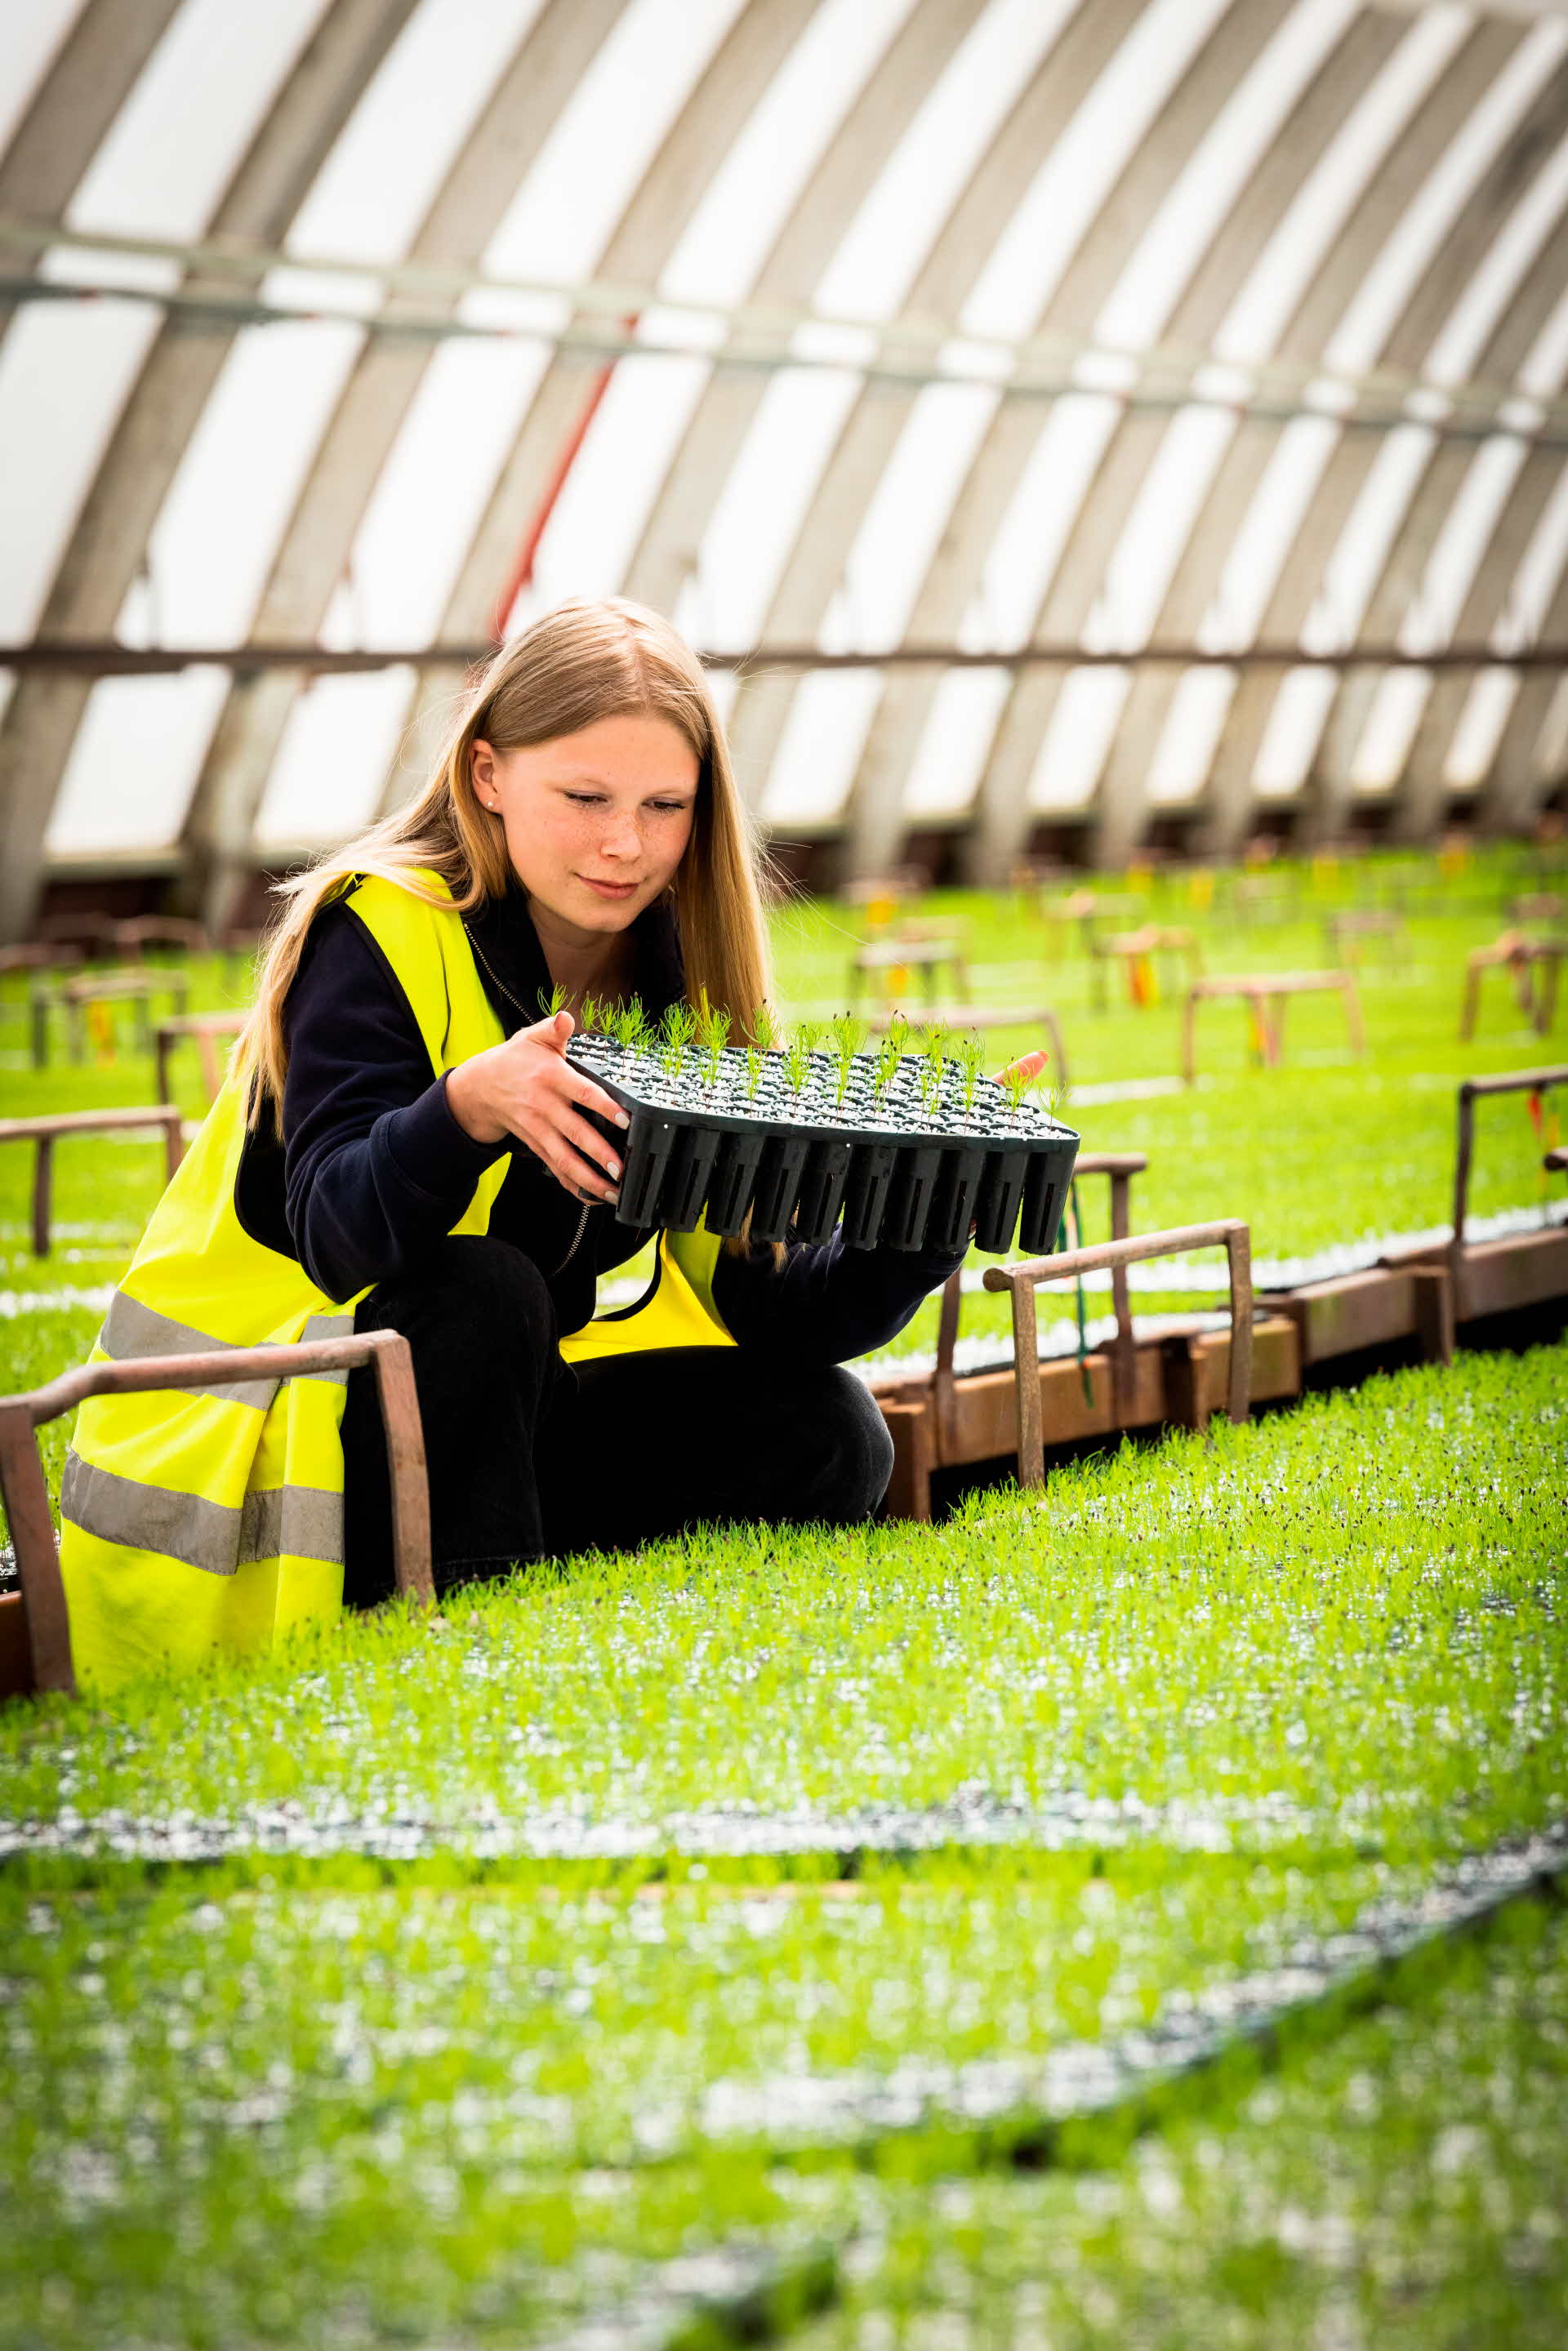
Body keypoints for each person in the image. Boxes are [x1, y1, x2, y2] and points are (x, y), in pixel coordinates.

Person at [59, 599, 1048, 1692]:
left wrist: (923, 1219)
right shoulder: (378, 928)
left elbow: (768, 1302)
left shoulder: (685, 974)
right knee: (482, 1287)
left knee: (831, 1432)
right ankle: (487, 1668)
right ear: (488, 775)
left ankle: (523, 1579)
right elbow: (339, 1232)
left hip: (488, 1436)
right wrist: (465, 1108)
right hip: (265, 1441)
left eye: (664, 806)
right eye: (584, 798)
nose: (625, 845)